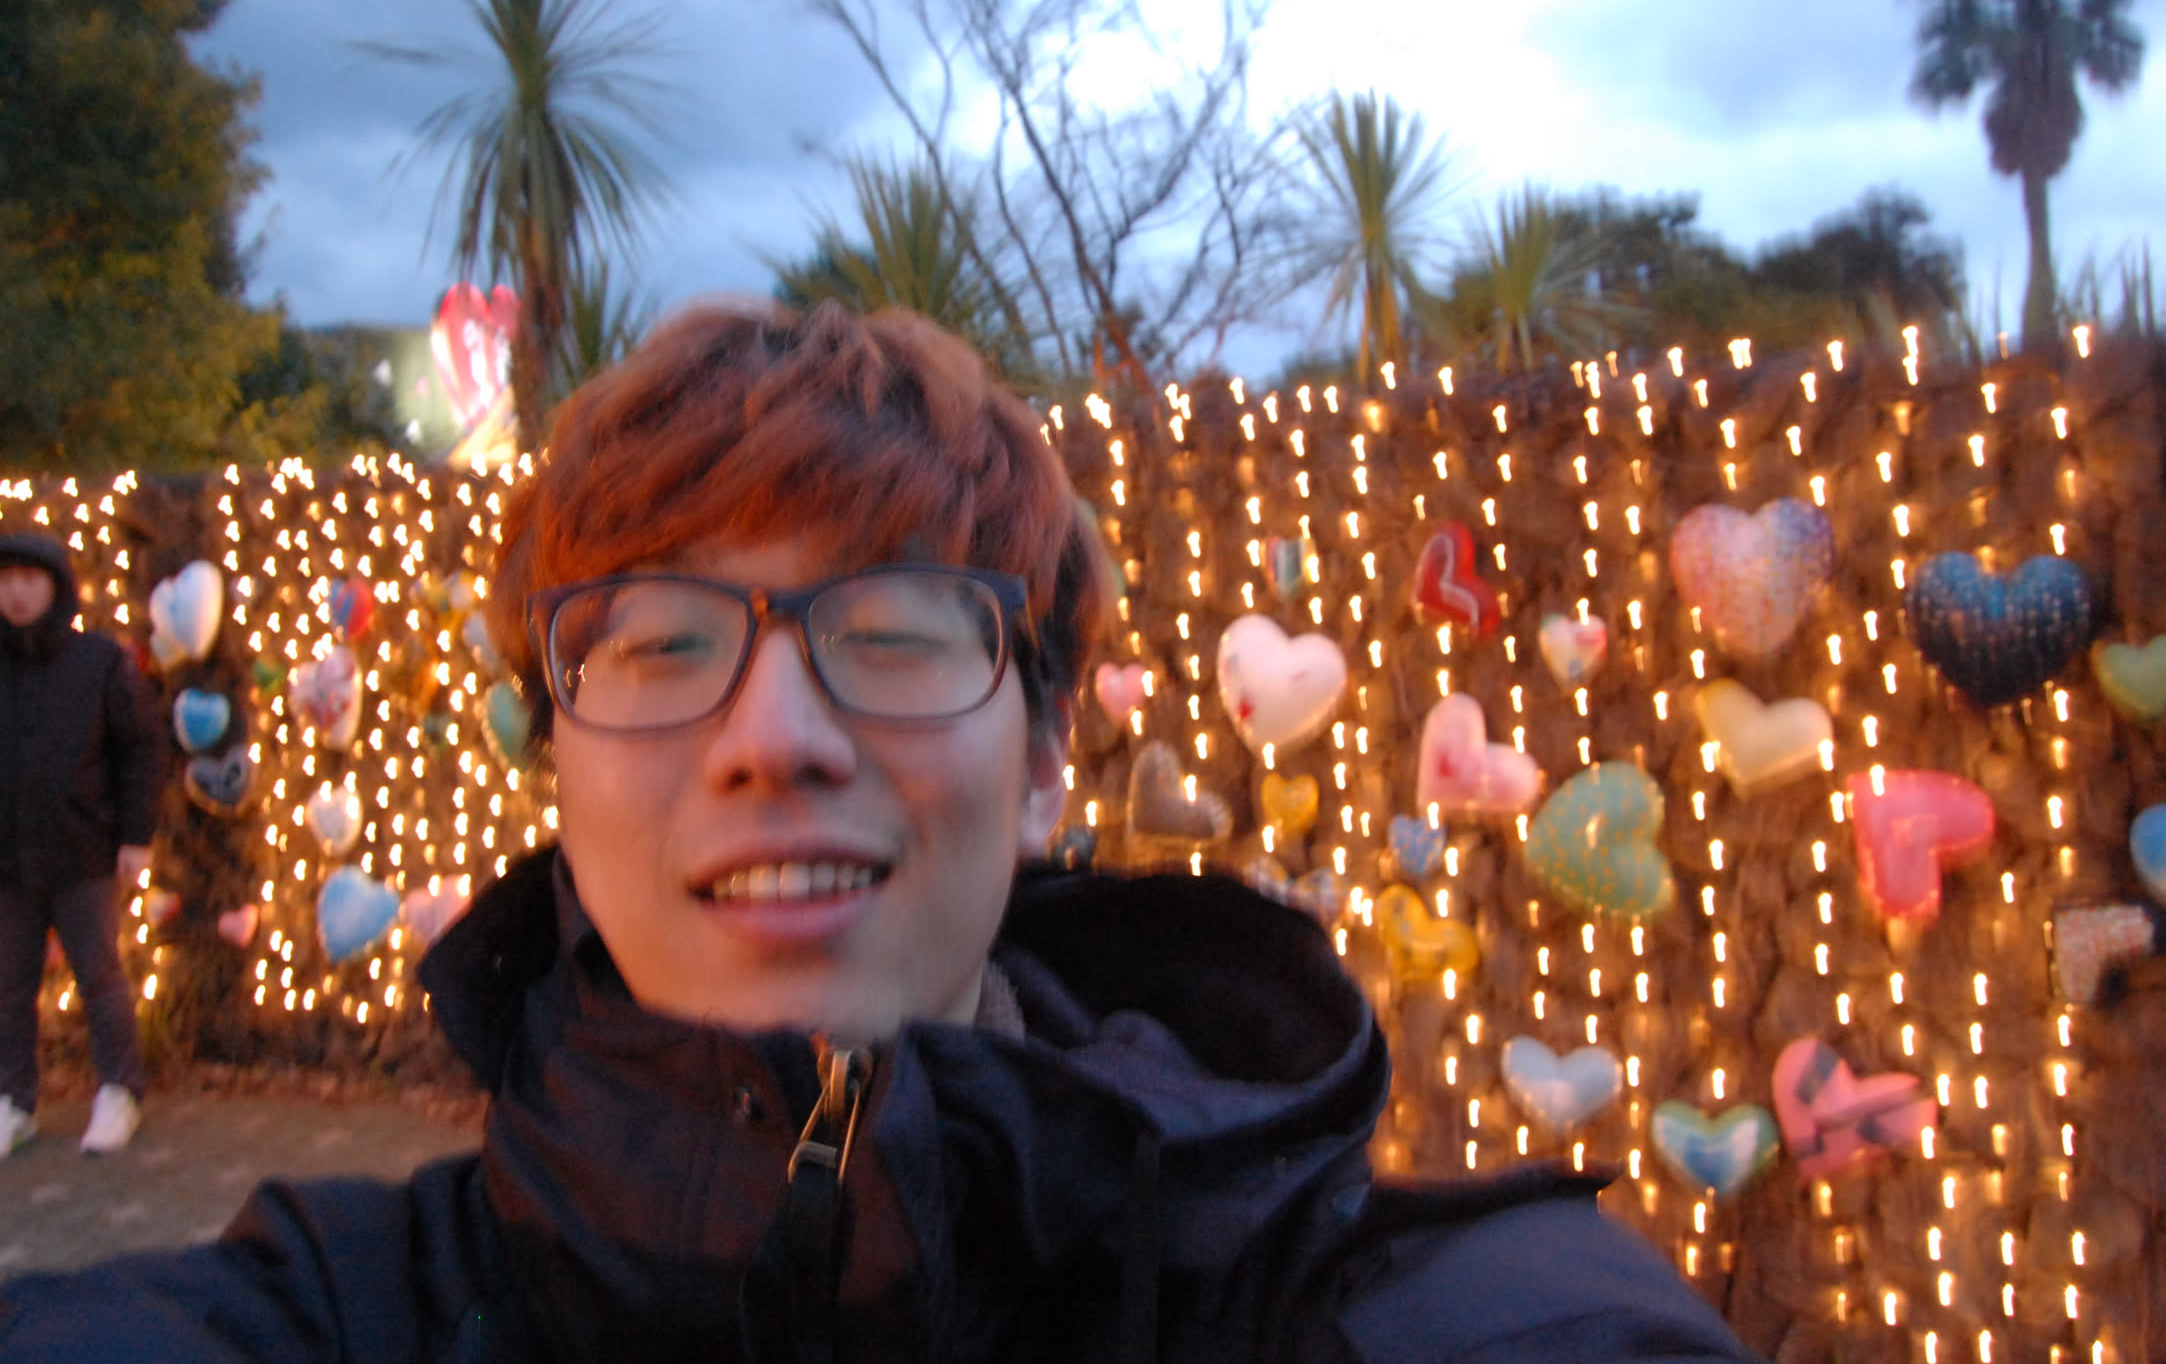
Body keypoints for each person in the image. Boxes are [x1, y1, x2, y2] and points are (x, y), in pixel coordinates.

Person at [0, 305, 1760, 1361]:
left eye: (900, 635)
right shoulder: (337, 1308)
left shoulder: (1412, 1310)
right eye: (659, 645)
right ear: (556, 763)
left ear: (1048, 756)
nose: (774, 738)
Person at [0, 532, 162, 1160]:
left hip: (82, 853)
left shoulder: (98, 663)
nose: (16, 592)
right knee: (10, 988)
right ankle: (13, 1101)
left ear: (55, 588)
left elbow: (140, 749)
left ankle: (119, 1092)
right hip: (9, 860)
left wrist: (136, 836)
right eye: (6, 580)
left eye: (29, 579)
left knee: (100, 977)